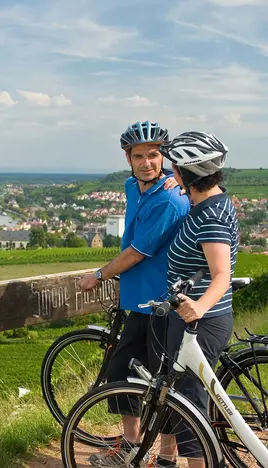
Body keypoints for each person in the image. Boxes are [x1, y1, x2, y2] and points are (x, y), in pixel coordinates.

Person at [79, 121, 190, 466]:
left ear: (164, 157)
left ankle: (168, 458)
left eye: (154, 155)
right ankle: (130, 444)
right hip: (139, 299)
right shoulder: (132, 186)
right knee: (121, 370)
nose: (146, 163)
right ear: (128, 159)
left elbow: (137, 252)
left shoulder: (171, 198)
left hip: (164, 302)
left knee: (163, 384)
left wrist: (99, 274)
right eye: (139, 156)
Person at [157, 131, 238, 468]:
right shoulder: (210, 201)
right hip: (196, 319)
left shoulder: (212, 217)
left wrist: (198, 307)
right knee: (180, 394)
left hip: (200, 322)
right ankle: (167, 458)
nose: (170, 172)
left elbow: (221, 274)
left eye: (174, 168)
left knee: (188, 402)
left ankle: (199, 463)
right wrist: (181, 187)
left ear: (188, 173)